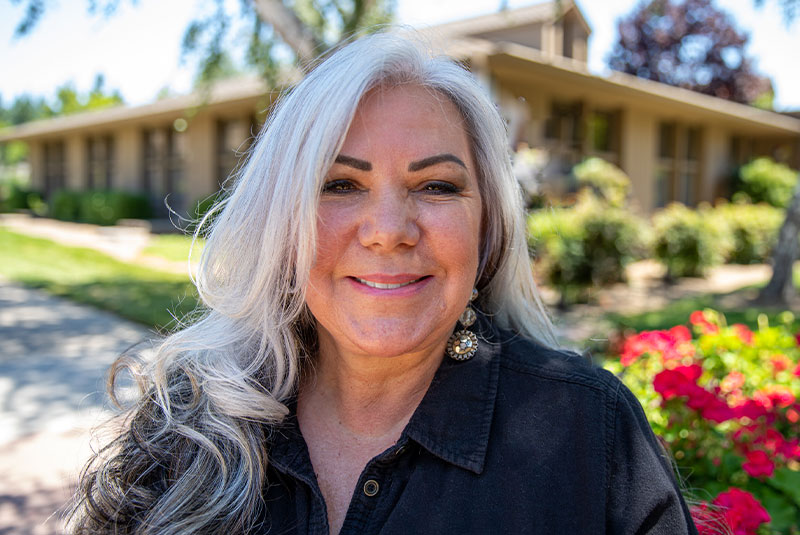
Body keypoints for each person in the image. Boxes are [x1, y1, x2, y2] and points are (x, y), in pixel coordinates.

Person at [70, 32, 698, 534]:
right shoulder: (188, 426)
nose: (389, 231)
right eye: (341, 184)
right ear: (281, 224)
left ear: (489, 230)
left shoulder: (589, 431)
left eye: (437, 186)